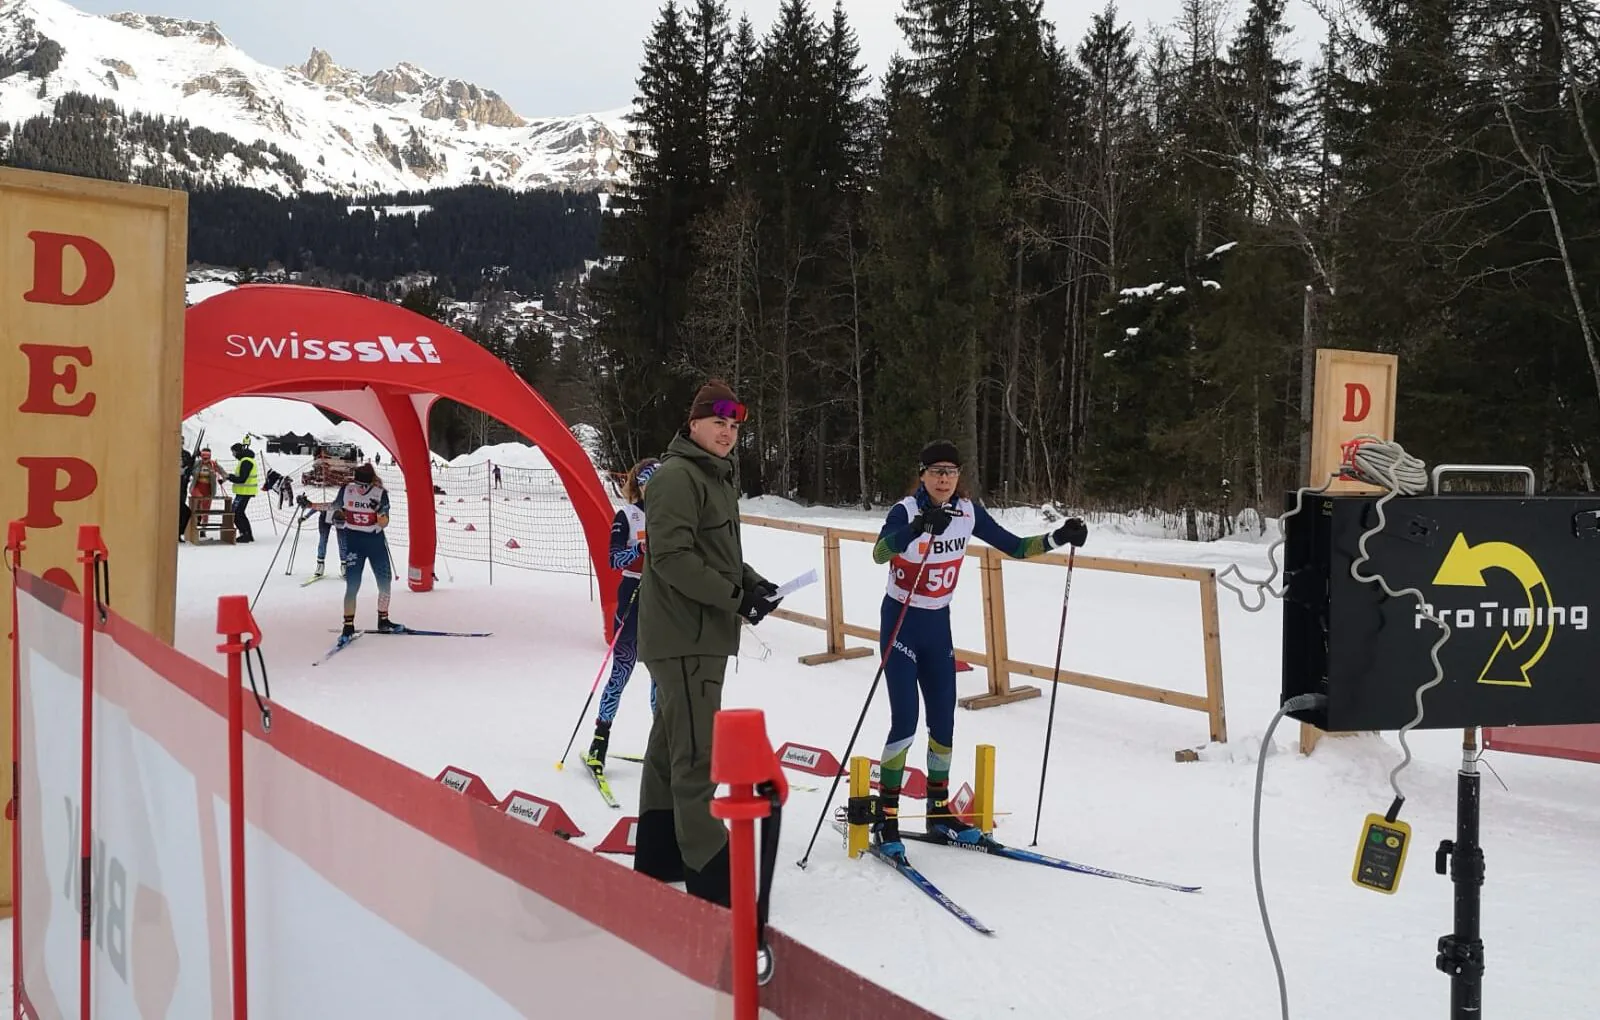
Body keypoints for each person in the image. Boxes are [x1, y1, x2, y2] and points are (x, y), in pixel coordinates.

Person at [869, 439, 1088, 859]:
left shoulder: (968, 512)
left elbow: (1016, 547)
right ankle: (886, 818)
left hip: (937, 627)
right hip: (901, 624)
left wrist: (1059, 536)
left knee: (943, 724)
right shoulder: (906, 511)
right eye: (936, 472)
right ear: (922, 475)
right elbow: (880, 553)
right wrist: (916, 529)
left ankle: (938, 813)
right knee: (905, 723)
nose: (944, 479)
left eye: (951, 472)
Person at [633, 380, 782, 906]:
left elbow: (715, 552)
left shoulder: (712, 477)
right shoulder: (678, 477)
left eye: (734, 426)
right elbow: (671, 558)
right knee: (696, 756)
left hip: (694, 635)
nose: (727, 433)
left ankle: (660, 855)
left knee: (668, 748)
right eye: (718, 422)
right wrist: (735, 599)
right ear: (693, 423)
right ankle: (714, 880)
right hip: (685, 636)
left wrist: (753, 583)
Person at [585, 457, 661, 771]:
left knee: (661, 676)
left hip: (662, 599)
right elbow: (613, 560)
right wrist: (640, 550)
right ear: (637, 486)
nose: (654, 489)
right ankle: (599, 741)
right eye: (647, 483)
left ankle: (661, 746)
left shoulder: (672, 515)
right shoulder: (628, 515)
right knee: (622, 670)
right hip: (633, 593)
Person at [333, 463, 401, 640]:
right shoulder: (347, 490)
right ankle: (348, 626)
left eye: (364, 486)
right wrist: (310, 504)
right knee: (352, 585)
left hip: (374, 543)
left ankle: (383, 620)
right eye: (358, 485)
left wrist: (379, 511)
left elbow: (384, 523)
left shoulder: (380, 494)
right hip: (354, 542)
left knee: (384, 582)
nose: (360, 489)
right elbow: (333, 506)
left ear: (371, 483)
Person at [297, 490, 349, 579]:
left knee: (342, 543)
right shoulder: (329, 507)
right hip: (324, 521)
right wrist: (305, 517)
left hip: (342, 521)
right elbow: (315, 508)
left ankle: (344, 567)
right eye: (335, 523)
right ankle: (320, 566)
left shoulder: (346, 510)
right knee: (323, 540)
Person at [226, 440, 259, 543]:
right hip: (243, 491)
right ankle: (247, 534)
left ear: (238, 451)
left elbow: (242, 479)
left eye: (233, 452)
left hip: (245, 491)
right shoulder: (245, 460)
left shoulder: (246, 461)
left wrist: (229, 477)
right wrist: (229, 477)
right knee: (239, 512)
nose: (233, 455)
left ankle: (245, 534)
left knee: (236, 513)